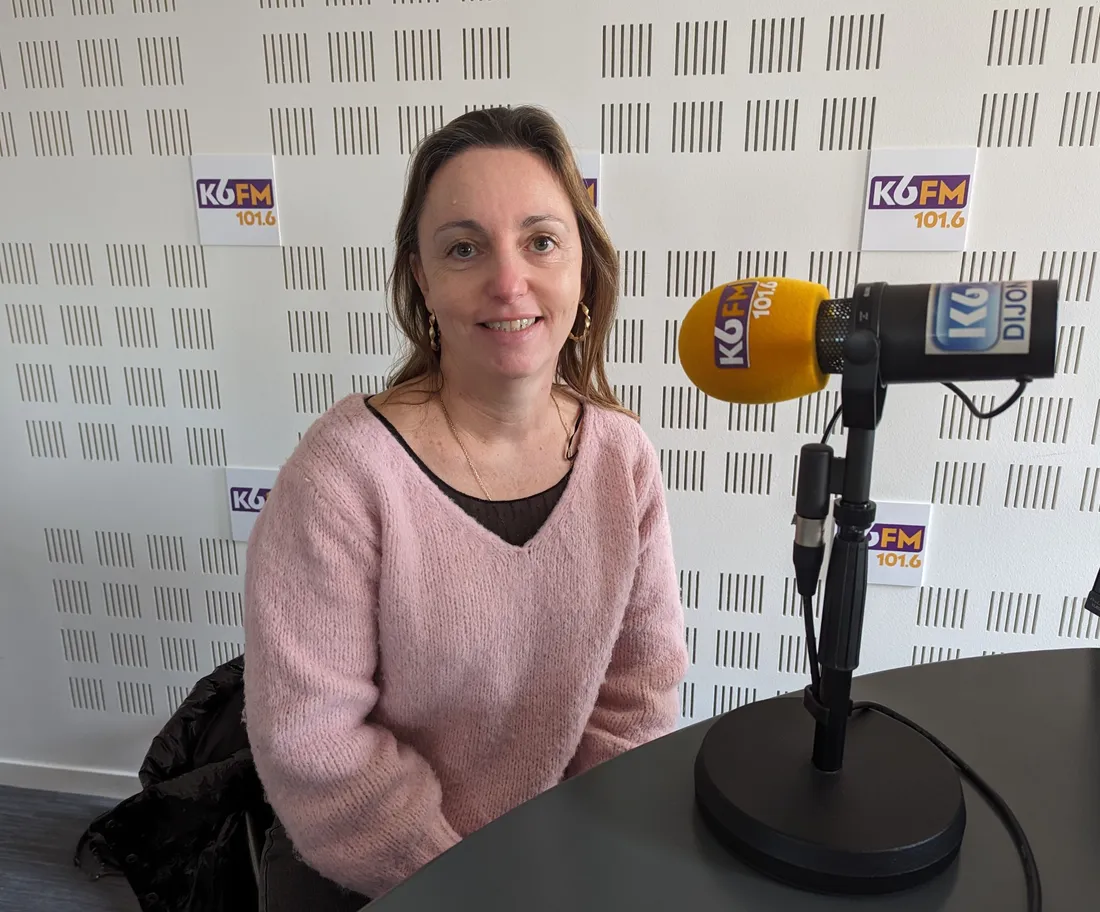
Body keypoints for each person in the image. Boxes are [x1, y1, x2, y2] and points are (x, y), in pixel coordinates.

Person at [242, 105, 690, 910]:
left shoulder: (623, 456)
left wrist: (580, 854)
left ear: (582, 267)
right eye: (464, 248)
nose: (509, 282)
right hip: (382, 875)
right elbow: (315, 741)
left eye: (541, 241)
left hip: (561, 864)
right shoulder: (343, 472)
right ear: (422, 278)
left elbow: (639, 695)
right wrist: (472, 885)